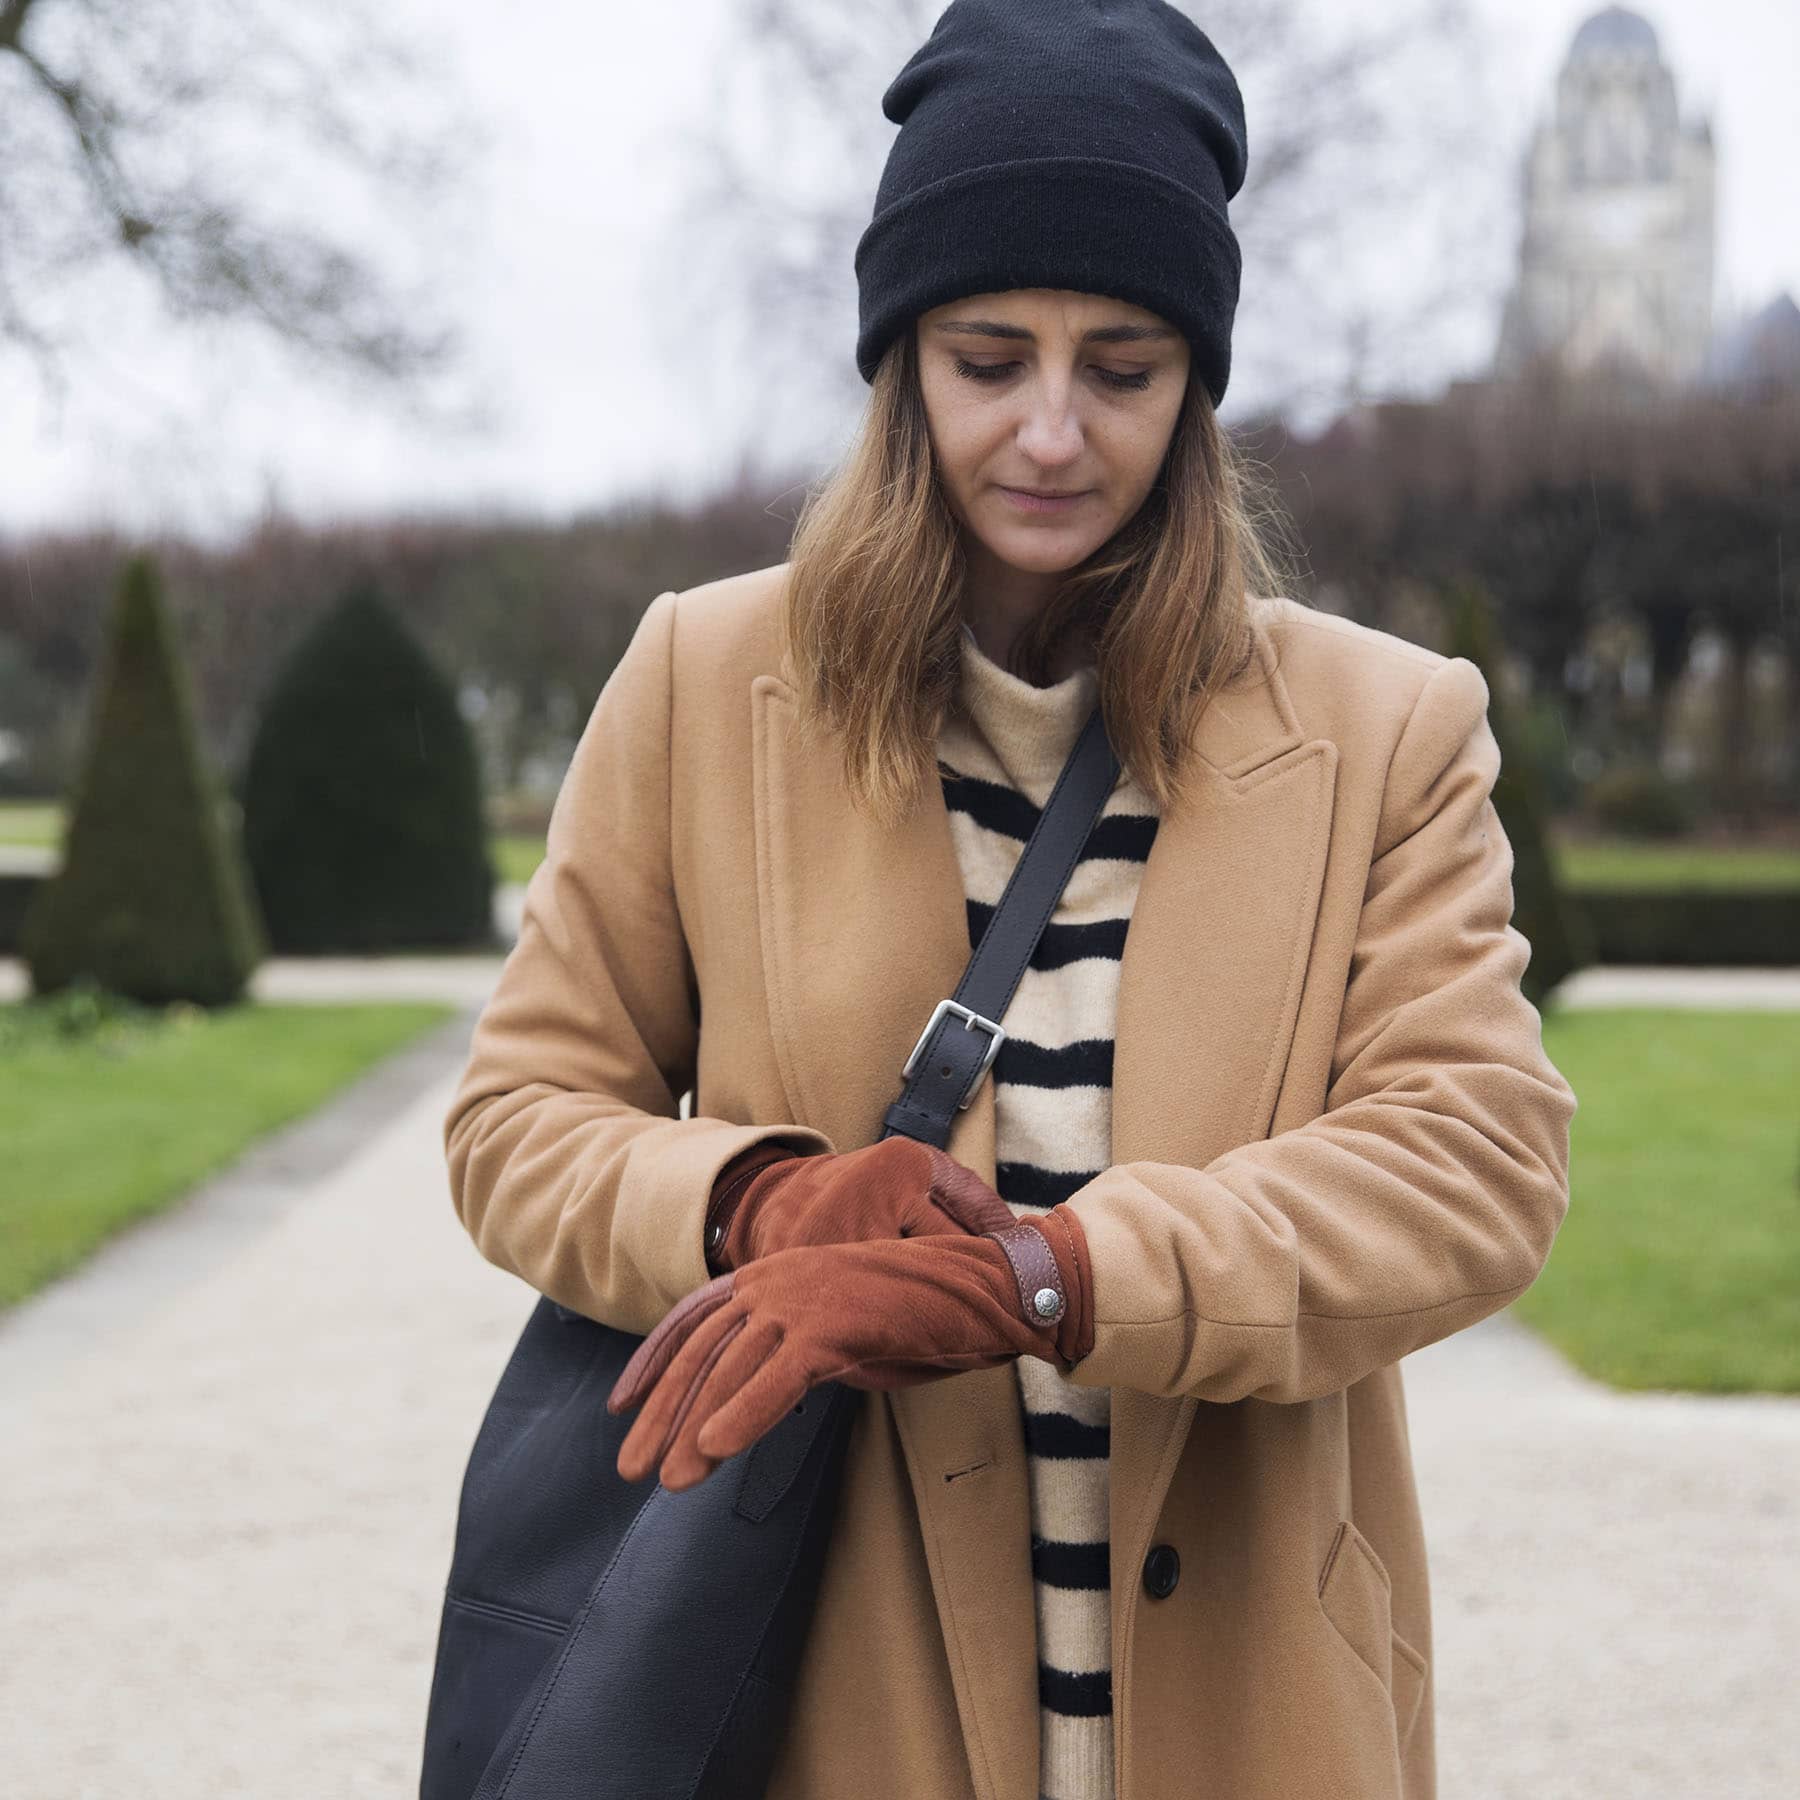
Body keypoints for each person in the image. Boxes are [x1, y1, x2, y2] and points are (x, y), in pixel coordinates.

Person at [440, 3, 1578, 1797]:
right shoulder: (700, 679)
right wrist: (761, 1205)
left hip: (1258, 1706)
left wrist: (1045, 1278)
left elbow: (1476, 1160)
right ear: (901, 365)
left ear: (1196, 385)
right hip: (830, 1693)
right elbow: (517, 1123)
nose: (1052, 432)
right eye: (991, 358)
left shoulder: (1388, 726)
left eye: (1122, 368)